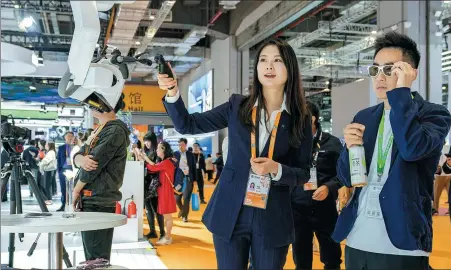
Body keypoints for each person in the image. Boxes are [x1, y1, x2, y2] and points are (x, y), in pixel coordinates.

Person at [159, 38, 312, 269]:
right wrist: (172, 91)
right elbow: (188, 125)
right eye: (263, 60)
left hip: (272, 215)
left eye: (277, 60)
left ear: (290, 68)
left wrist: (276, 169)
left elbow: (302, 173)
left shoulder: (300, 118)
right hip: (230, 210)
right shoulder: (237, 106)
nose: (269, 66)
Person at [333, 31, 451, 269]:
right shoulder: (365, 116)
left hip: (402, 242)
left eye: (390, 70)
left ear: (411, 73)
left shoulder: (433, 114)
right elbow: (347, 177)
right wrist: (349, 148)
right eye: (375, 69)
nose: (380, 77)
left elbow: (411, 149)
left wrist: (401, 94)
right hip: (358, 238)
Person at [71, 94, 130, 262]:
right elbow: (80, 156)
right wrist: (80, 159)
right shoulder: (101, 128)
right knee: (92, 255)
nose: (92, 105)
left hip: (98, 199)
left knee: (96, 257)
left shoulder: (114, 130)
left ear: (106, 105)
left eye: (97, 102)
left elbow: (93, 165)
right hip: (92, 197)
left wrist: (76, 191)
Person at [292, 101, 343, 270]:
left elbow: (343, 174)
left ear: (312, 119)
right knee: (301, 259)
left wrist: (329, 187)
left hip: (325, 208)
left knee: (332, 258)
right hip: (298, 209)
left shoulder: (333, 143)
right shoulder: (292, 144)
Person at [135, 141, 176, 245]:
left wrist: (144, 158)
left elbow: (153, 167)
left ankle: (167, 237)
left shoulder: (166, 162)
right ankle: (167, 236)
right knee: (167, 216)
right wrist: (145, 158)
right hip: (164, 191)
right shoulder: (166, 162)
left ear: (163, 150)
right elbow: (154, 166)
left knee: (167, 216)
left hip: (166, 192)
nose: (157, 150)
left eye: (159, 148)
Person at [142, 132, 165, 239]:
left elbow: (156, 167)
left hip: (154, 184)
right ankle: (152, 231)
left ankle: (162, 232)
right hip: (146, 183)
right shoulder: (147, 152)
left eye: (148, 140)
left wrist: (145, 159)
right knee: (148, 209)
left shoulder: (157, 153)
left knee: (156, 209)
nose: (146, 143)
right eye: (145, 141)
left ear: (153, 141)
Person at [173, 138, 196, 222]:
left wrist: (195, 180)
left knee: (186, 198)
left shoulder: (190, 154)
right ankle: (182, 210)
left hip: (188, 178)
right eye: (179, 144)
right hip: (178, 179)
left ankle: (185, 216)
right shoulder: (175, 154)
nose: (180, 146)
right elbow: (173, 167)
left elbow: (193, 167)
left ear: (185, 145)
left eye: (182, 144)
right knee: (177, 199)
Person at [56, 131, 74, 211]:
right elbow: (59, 160)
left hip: (73, 170)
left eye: (71, 136)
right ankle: (63, 205)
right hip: (63, 170)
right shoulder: (61, 148)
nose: (69, 138)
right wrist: (59, 171)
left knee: (72, 189)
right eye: (68, 136)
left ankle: (72, 205)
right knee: (63, 189)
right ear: (65, 137)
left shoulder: (75, 147)